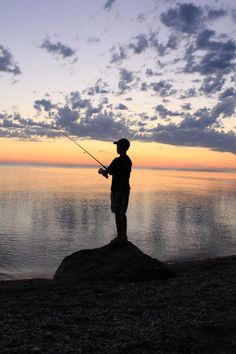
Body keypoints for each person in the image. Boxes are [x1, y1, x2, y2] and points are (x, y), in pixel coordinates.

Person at [98, 138, 132, 243]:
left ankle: (120, 237)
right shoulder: (128, 160)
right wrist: (108, 172)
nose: (116, 148)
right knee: (122, 213)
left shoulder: (117, 160)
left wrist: (101, 171)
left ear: (122, 147)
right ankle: (124, 236)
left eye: (118, 146)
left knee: (118, 213)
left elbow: (107, 173)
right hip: (126, 189)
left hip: (117, 190)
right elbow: (114, 172)